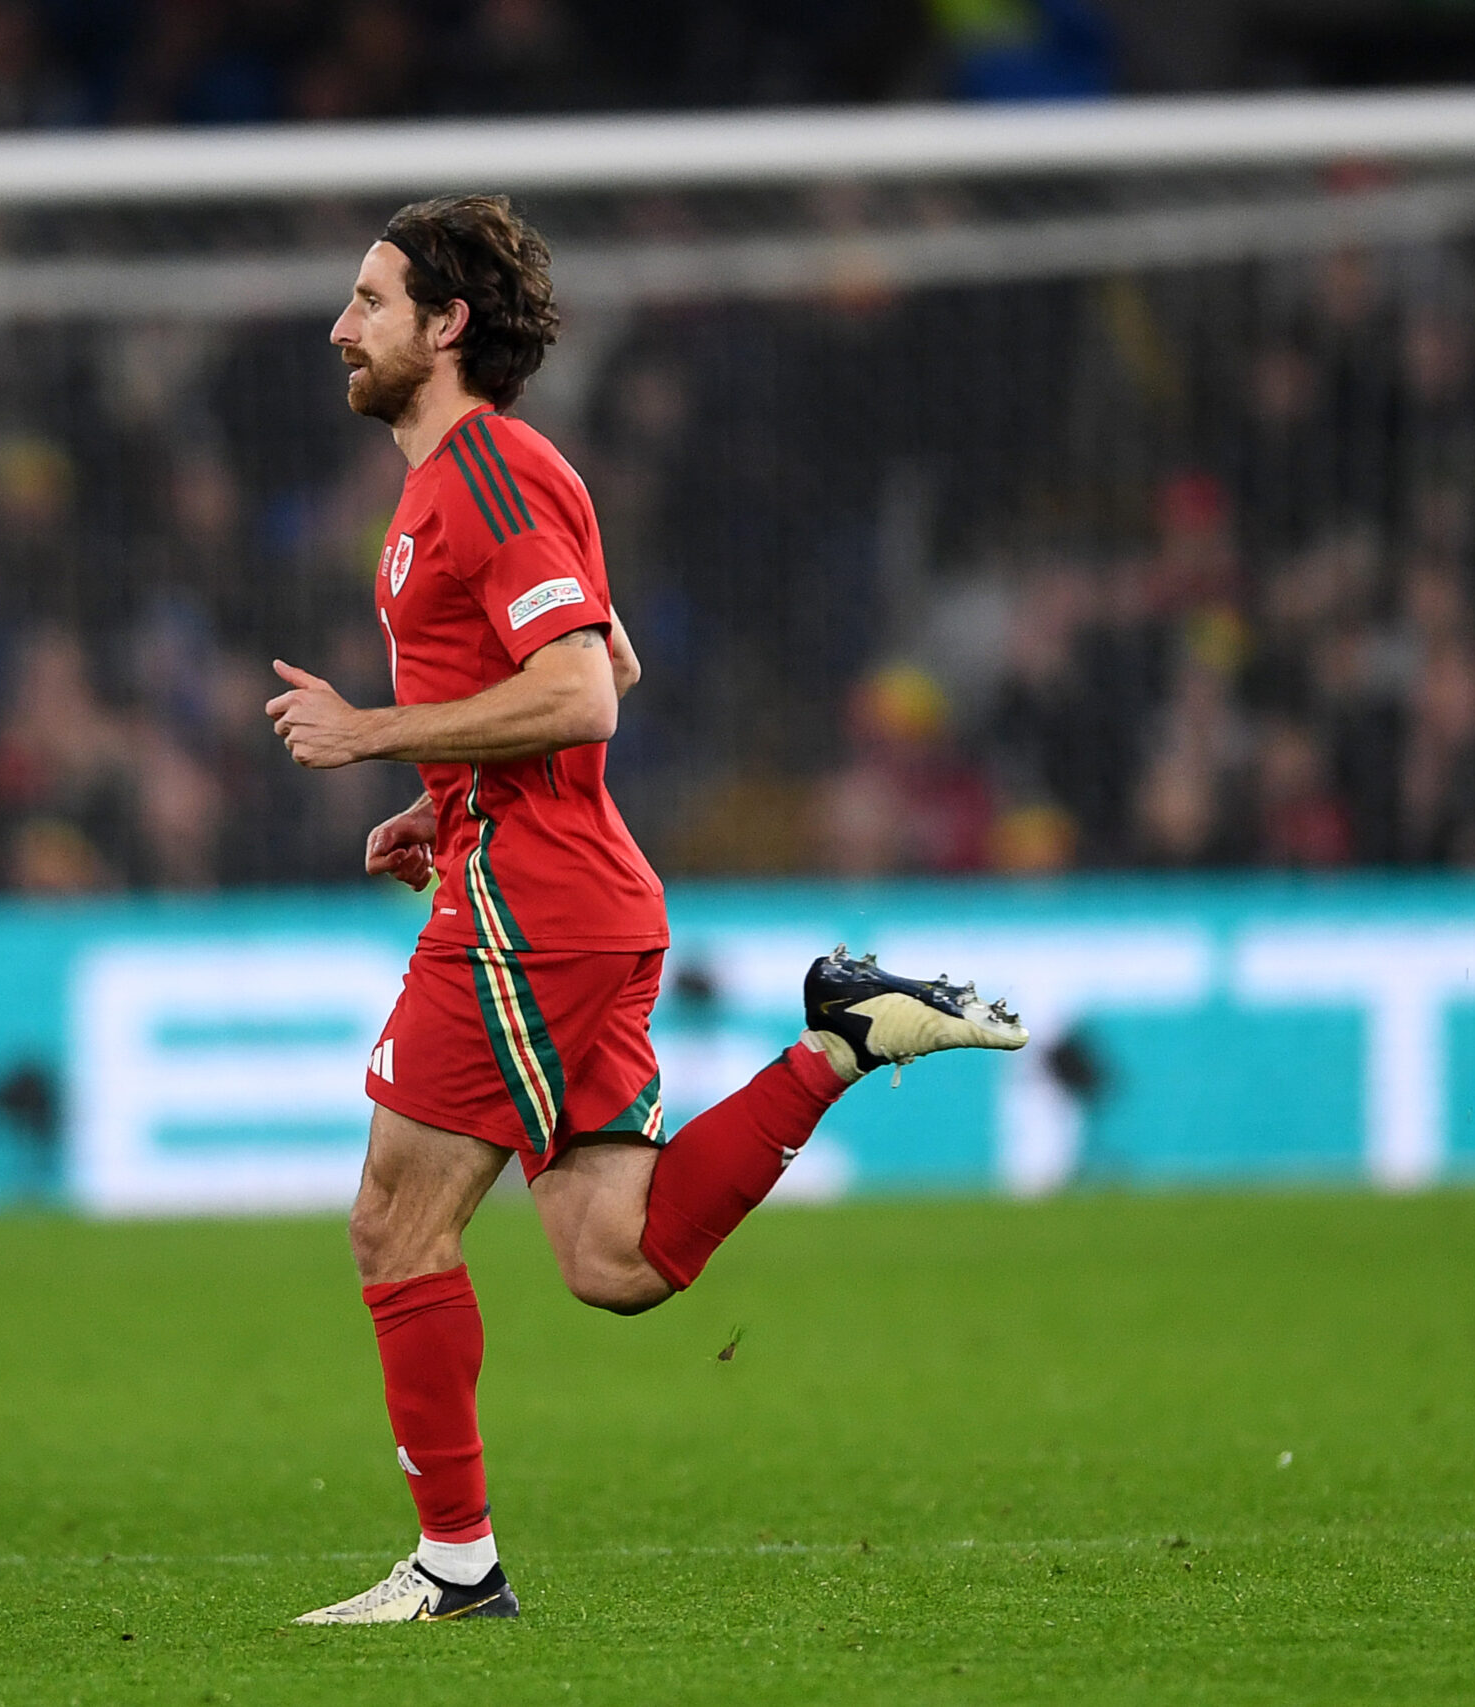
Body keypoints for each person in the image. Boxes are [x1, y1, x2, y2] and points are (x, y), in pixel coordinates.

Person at [265, 194, 1029, 1625]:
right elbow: (601, 646)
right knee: (615, 1260)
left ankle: (455, 1570)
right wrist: (446, 796)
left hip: (530, 911)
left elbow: (588, 689)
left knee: (393, 1224)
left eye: (369, 302)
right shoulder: (478, 485)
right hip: (560, 887)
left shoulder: (485, 477)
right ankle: (839, 1044)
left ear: (447, 328)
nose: (339, 328)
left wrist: (378, 735)